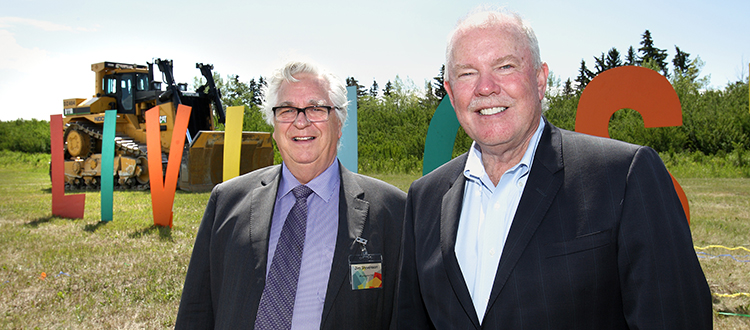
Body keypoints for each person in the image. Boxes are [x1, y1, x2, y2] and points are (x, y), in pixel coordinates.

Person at [396, 7, 712, 329]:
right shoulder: (425, 198)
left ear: (540, 79)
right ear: (450, 92)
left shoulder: (624, 176)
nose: (486, 87)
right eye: (467, 73)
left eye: (505, 66)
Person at [175, 60, 405, 329]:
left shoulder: (393, 211)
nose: (300, 121)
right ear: (274, 126)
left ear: (339, 123)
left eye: (316, 108)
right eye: (286, 110)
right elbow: (196, 311)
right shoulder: (226, 201)